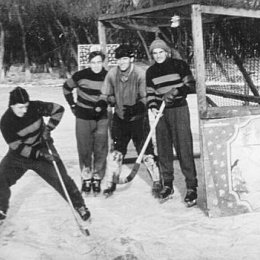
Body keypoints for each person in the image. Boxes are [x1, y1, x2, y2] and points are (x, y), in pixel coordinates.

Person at [0, 87, 91, 221]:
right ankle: (1, 209)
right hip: (19, 156)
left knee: (62, 178)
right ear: (11, 105)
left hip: (42, 147)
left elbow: (58, 109)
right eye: (20, 107)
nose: (24, 110)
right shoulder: (6, 122)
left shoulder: (35, 107)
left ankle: (80, 206)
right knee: (1, 178)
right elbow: (18, 147)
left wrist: (48, 129)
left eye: (26, 106)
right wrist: (41, 156)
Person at [96, 44, 161, 197]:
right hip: (120, 118)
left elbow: (145, 97)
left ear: (131, 59)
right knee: (117, 152)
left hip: (138, 119)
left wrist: (136, 107)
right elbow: (105, 93)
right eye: (119, 59)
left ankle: (157, 181)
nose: (122, 62)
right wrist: (102, 102)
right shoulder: (112, 73)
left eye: (125, 58)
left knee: (146, 152)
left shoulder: (139, 73)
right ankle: (112, 181)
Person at [146, 39, 198, 207]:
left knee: (183, 147)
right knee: (163, 148)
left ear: (166, 52)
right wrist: (153, 106)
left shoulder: (179, 65)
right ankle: (167, 184)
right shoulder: (151, 71)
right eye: (155, 53)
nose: (158, 55)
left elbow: (191, 84)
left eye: (161, 52)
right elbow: (150, 93)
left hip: (179, 110)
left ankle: (191, 186)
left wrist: (175, 91)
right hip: (161, 113)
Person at [63, 51, 108, 195]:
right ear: (89, 63)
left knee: (100, 147)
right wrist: (72, 105)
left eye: (99, 62)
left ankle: (97, 177)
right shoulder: (80, 75)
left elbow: (112, 96)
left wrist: (105, 103)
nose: (96, 65)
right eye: (93, 62)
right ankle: (86, 176)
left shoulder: (108, 76)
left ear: (103, 62)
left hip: (101, 118)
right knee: (84, 147)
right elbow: (66, 88)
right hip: (83, 117)